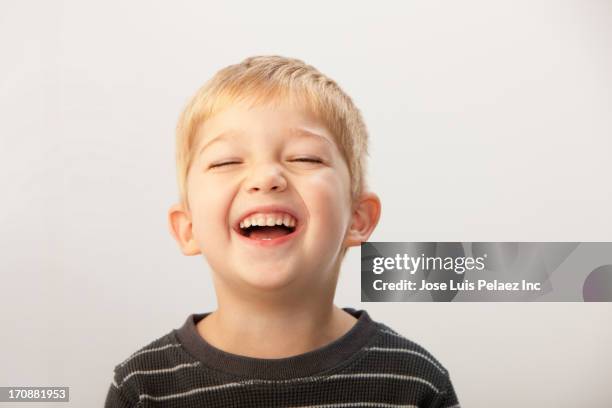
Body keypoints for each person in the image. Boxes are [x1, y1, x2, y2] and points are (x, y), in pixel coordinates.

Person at [104, 55, 460, 408]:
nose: (266, 178)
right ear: (189, 228)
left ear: (357, 218)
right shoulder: (141, 389)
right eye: (227, 161)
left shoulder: (417, 384)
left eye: (305, 158)